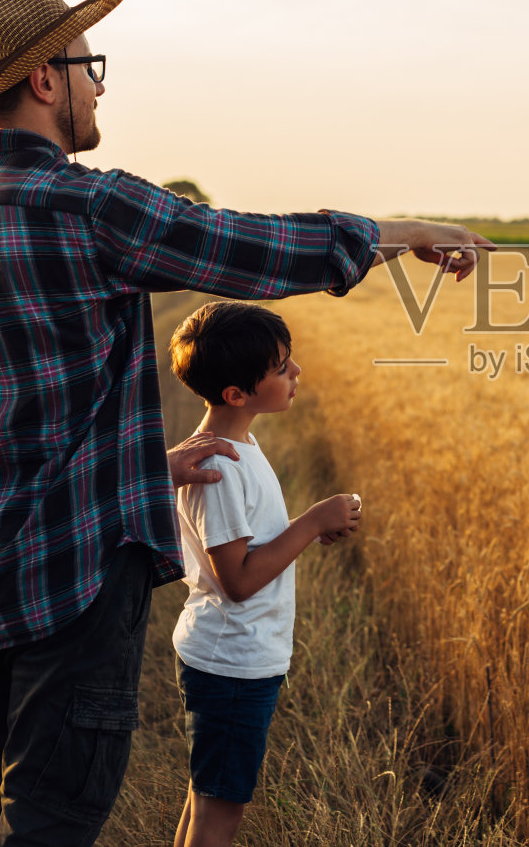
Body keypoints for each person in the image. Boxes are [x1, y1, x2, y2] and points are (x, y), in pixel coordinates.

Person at [0, 0, 492, 847]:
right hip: (73, 587)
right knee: (50, 824)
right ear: (46, 79)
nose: (100, 88)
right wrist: (404, 232)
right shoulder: (86, 205)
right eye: (91, 68)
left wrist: (144, 466)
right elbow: (252, 247)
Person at [164, 301, 353, 846]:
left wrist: (306, 530)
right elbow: (239, 582)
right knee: (220, 812)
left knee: (206, 799)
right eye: (279, 367)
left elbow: (248, 546)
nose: (296, 371)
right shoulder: (220, 467)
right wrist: (312, 521)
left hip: (235, 655)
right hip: (232, 662)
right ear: (236, 394)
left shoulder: (240, 445)